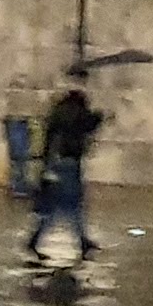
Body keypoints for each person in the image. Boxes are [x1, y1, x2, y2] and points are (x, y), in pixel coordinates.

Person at [23, 79, 101, 261]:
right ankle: (38, 241)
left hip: (56, 162)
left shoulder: (58, 111)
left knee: (59, 204)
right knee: (69, 203)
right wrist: (99, 116)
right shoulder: (75, 112)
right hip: (67, 163)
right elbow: (87, 125)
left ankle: (81, 240)